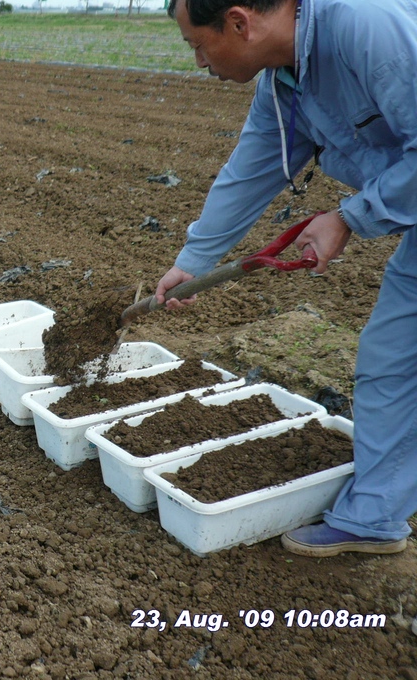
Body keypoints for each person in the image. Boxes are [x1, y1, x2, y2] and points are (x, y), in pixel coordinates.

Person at [158, 0, 417, 557]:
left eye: (197, 45)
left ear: (238, 22)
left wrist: (350, 217)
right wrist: (194, 260)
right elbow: (254, 165)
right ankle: (372, 518)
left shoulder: (365, 30)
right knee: (392, 360)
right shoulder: (286, 82)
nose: (200, 61)